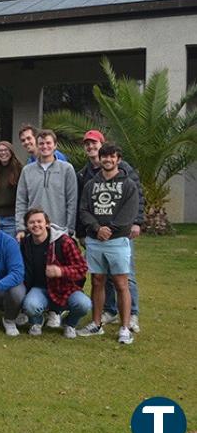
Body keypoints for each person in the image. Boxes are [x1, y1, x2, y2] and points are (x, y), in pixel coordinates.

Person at [77, 129, 143, 333]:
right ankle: (100, 320)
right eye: (104, 156)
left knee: (123, 279)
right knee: (98, 280)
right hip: (95, 238)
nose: (107, 159)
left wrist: (114, 229)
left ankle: (128, 320)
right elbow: (83, 208)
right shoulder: (89, 180)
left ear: (118, 159)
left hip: (118, 239)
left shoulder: (128, 181)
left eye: (111, 156)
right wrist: (96, 229)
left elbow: (130, 208)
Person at [19, 209, 90, 338]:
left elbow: (82, 268)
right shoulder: (25, 244)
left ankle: (70, 324)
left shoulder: (64, 242)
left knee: (84, 304)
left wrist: (61, 271)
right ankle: (36, 322)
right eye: (31, 222)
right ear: (27, 226)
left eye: (39, 221)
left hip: (65, 288)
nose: (36, 225)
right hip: (39, 288)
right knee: (30, 305)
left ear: (47, 223)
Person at [14, 129, 78, 239]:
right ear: (37, 146)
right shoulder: (27, 170)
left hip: (60, 231)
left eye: (48, 143)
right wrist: (21, 228)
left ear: (55, 145)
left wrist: (70, 229)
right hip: (34, 230)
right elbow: (21, 201)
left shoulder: (67, 169)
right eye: (41, 143)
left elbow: (72, 201)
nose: (45, 146)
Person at [0, 141, 22, 235]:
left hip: (12, 217)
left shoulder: (19, 169)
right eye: (0, 151)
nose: (3, 153)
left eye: (5, 150)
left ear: (11, 152)